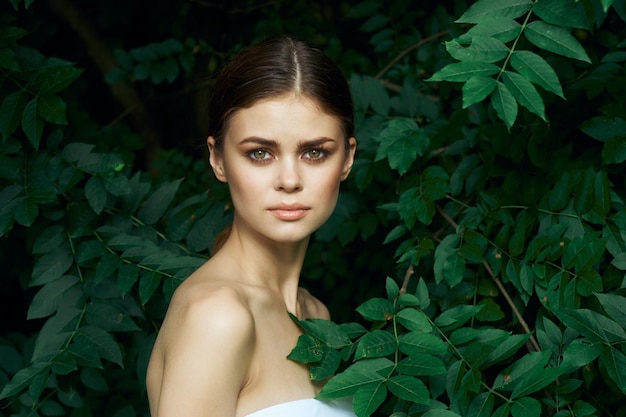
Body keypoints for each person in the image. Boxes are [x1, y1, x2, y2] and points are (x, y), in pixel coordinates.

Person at [146, 36, 358, 417]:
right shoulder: (218, 316)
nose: (289, 180)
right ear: (218, 159)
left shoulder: (316, 314)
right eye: (259, 153)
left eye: (315, 152)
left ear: (347, 158)